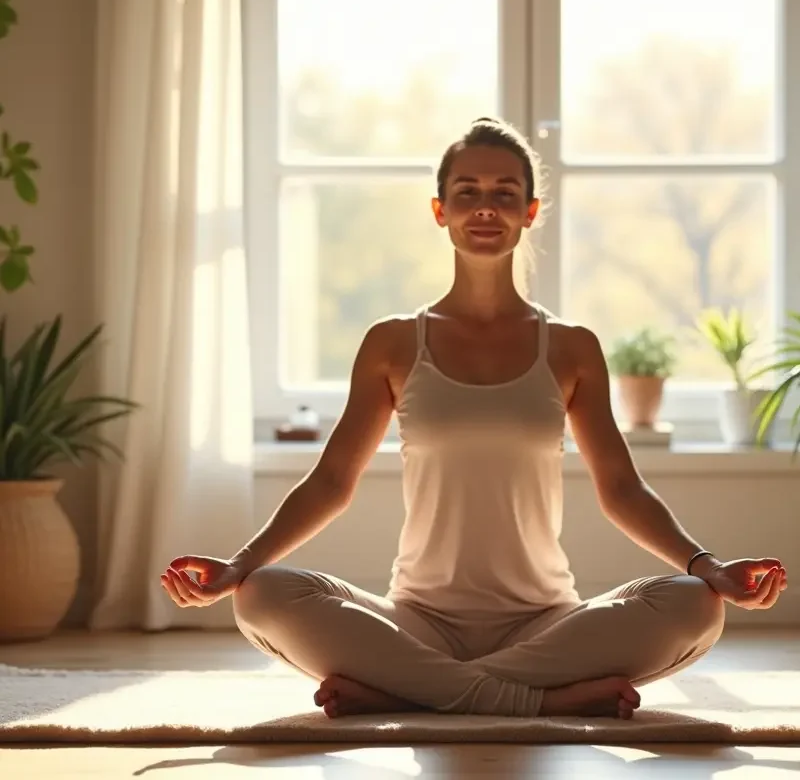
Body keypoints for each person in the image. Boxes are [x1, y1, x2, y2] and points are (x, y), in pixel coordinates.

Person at [160, 117, 788, 720]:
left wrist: (707, 566)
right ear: (441, 210)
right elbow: (331, 483)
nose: (485, 207)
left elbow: (622, 489)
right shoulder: (394, 343)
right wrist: (240, 565)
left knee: (695, 608)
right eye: (468, 192)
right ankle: (532, 700)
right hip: (416, 621)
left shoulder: (571, 347)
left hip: (546, 623)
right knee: (264, 596)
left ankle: (411, 692)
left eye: (504, 193)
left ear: (529, 211)